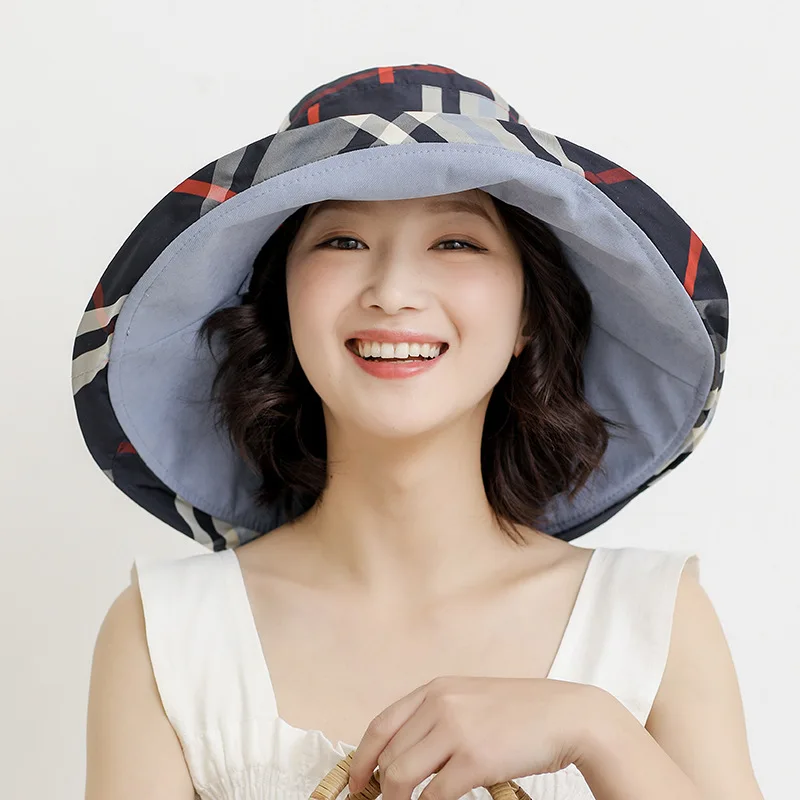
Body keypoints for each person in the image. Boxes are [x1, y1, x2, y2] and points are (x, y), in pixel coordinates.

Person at [76, 64, 761, 800]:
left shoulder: (653, 617)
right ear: (281, 303)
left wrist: (598, 732)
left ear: (529, 314)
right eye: (342, 241)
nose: (393, 292)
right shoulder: (166, 632)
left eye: (457, 243)